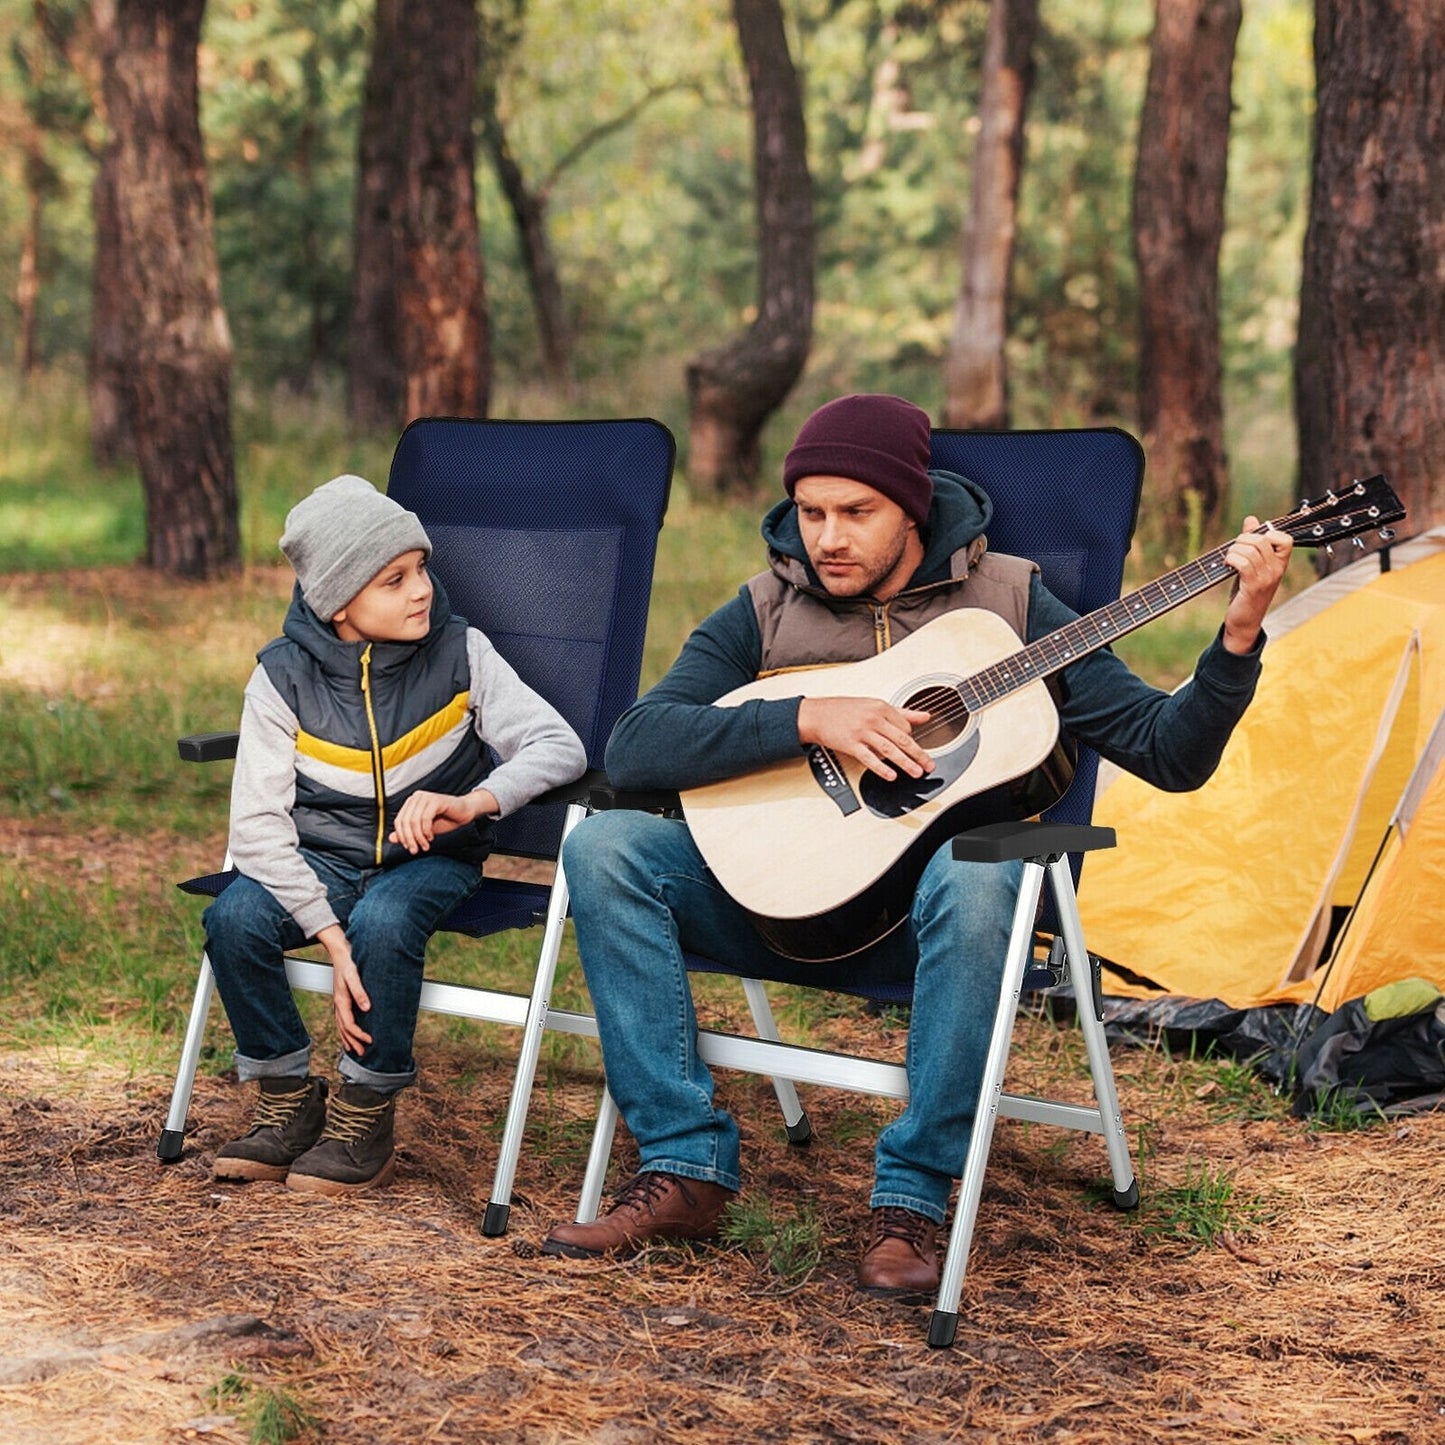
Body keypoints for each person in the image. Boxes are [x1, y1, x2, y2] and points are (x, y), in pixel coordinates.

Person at [542, 393, 1293, 1295]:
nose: (827, 538)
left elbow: (1169, 754)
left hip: (938, 927)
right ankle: (684, 1166)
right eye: (811, 513)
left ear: (912, 508)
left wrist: (1240, 629)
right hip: (781, 904)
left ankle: (910, 1199)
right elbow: (637, 745)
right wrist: (809, 717)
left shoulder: (1008, 607)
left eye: (855, 513)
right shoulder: (768, 606)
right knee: (607, 846)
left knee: (979, 872)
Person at [205, 474, 586, 1196]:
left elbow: (555, 744)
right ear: (340, 602)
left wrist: (474, 800)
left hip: (429, 860)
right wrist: (327, 933)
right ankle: (286, 1100)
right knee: (234, 918)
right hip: (322, 857)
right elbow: (255, 831)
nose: (420, 590)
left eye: (421, 569)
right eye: (394, 579)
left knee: (383, 919)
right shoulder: (280, 679)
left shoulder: (460, 653)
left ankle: (363, 1111)